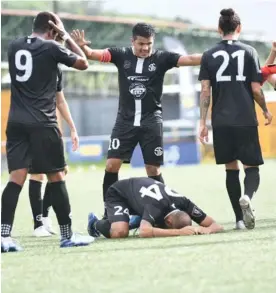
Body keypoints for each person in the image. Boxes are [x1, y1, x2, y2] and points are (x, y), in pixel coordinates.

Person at [70, 23, 202, 218]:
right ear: (132, 41)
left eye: (149, 44)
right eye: (141, 44)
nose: (145, 48)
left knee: (152, 168)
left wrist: (215, 55)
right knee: (111, 165)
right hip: (125, 122)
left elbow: (190, 58)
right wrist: (82, 46)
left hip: (151, 121)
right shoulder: (120, 55)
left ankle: (162, 212)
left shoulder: (162, 58)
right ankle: (110, 212)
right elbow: (92, 54)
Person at [1, 11, 94, 253]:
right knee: (56, 177)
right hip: (43, 122)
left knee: (16, 178)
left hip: (16, 122)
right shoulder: (52, 48)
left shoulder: (14, 46)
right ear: (53, 30)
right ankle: (66, 235)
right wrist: (67, 37)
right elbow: (84, 62)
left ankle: (3, 236)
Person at [198, 8, 273, 230]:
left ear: (219, 29)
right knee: (252, 168)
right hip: (245, 118)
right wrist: (265, 110)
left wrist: (203, 122)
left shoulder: (208, 55)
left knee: (231, 169)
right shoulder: (249, 52)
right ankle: (247, 196)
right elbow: (257, 89)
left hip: (221, 121)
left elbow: (204, 91)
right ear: (239, 28)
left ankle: (239, 220)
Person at [28, 37, 79, 238]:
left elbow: (60, 100)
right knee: (37, 173)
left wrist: (72, 128)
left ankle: (45, 217)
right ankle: (38, 224)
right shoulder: (33, 62)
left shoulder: (56, 69)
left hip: (50, 126)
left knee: (60, 170)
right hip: (32, 125)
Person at [87, 177, 223, 239]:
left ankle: (138, 218)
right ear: (169, 222)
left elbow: (217, 225)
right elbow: (144, 232)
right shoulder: (155, 207)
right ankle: (95, 223)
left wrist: (207, 229)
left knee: (150, 222)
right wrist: (179, 233)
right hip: (119, 193)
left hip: (141, 197)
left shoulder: (184, 203)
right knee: (119, 233)